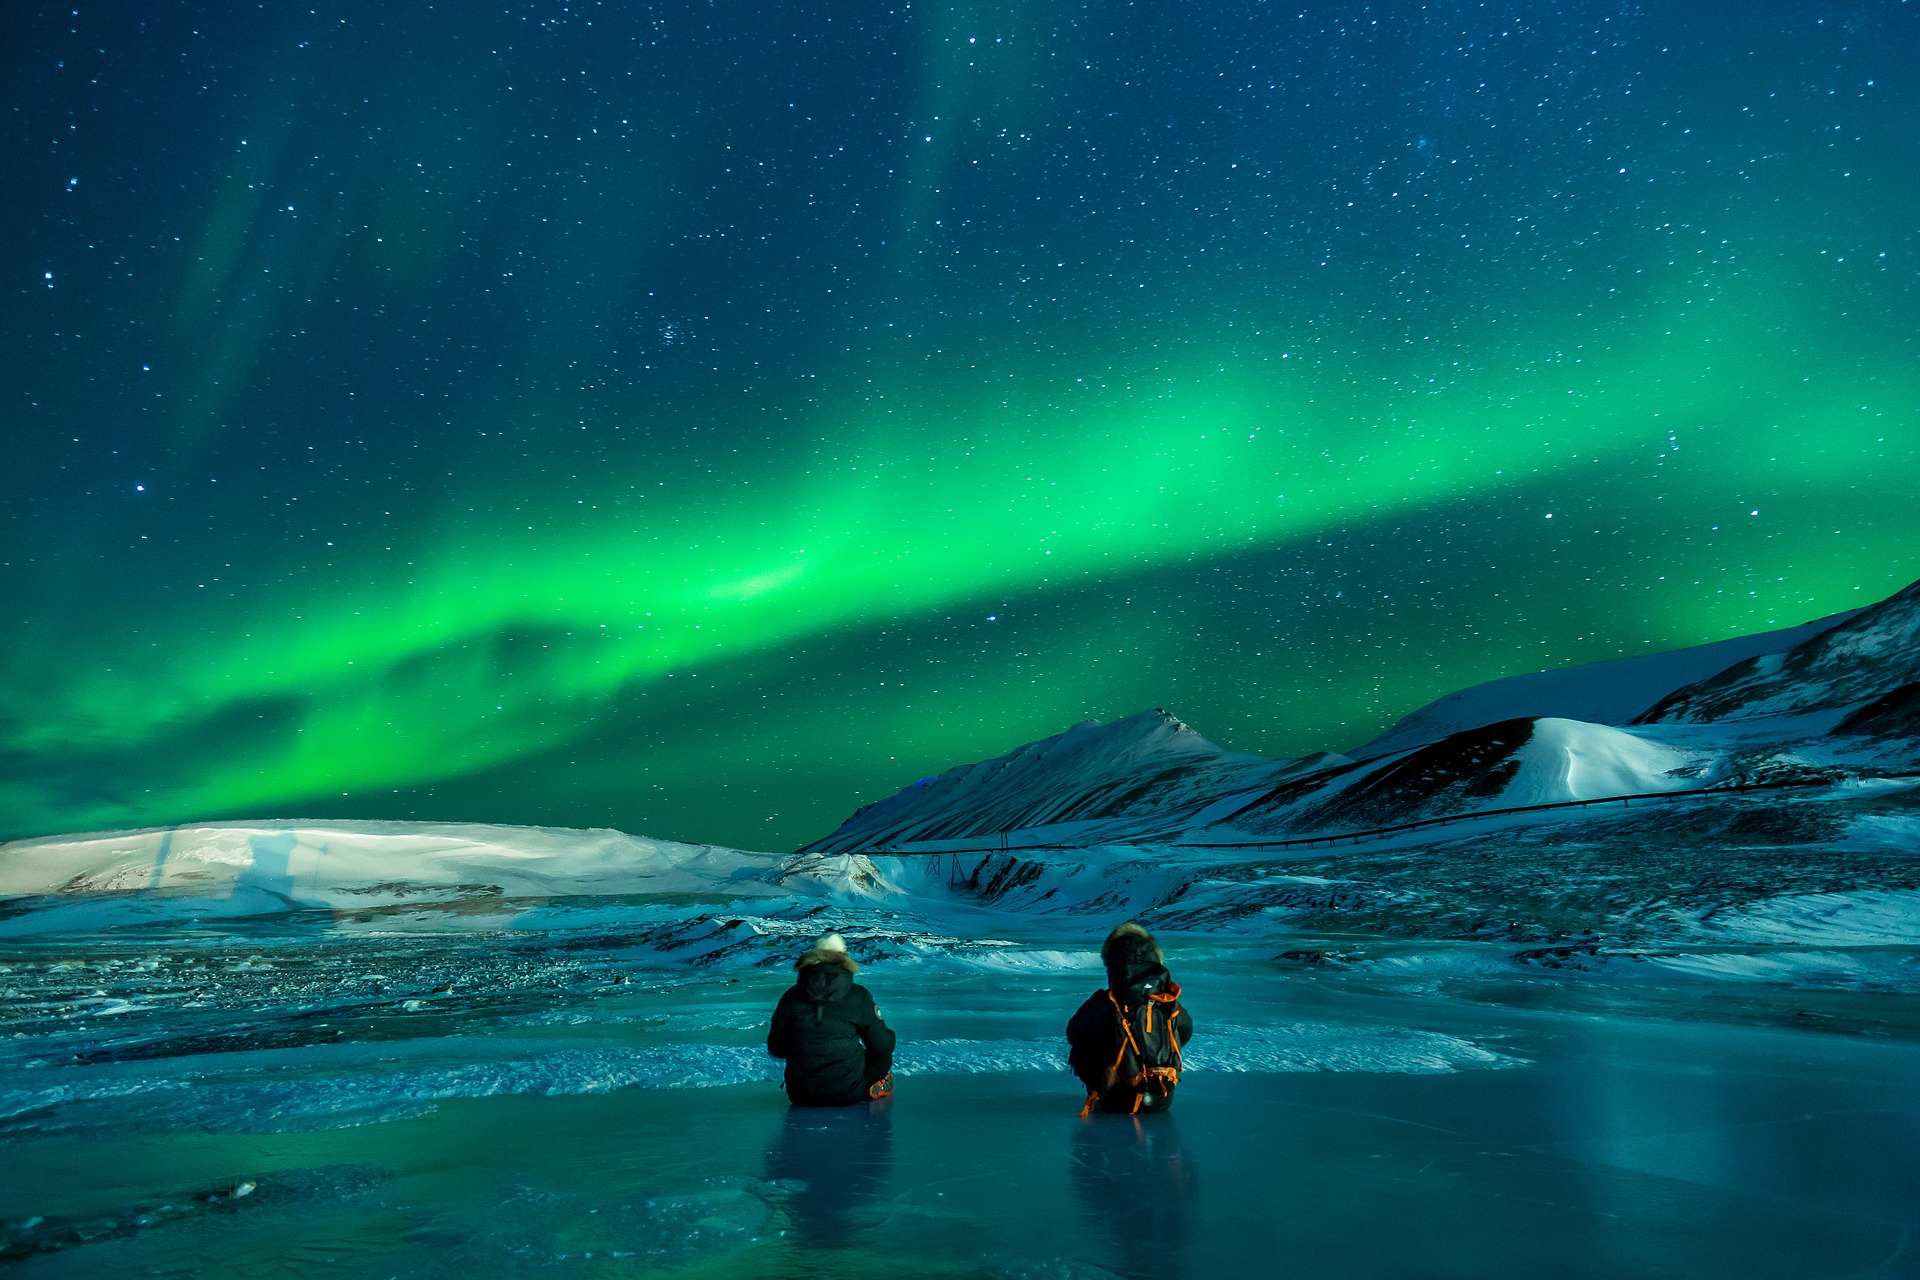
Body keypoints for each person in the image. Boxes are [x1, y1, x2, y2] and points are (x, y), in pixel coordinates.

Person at [1066, 922, 1192, 1115]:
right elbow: (1186, 1031)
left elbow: (1073, 1033)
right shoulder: (1168, 1001)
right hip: (1163, 1099)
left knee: (1085, 1039)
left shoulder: (1102, 1002)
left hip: (1116, 1100)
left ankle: (1105, 1088)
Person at [767, 932, 896, 1107]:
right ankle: (874, 1084)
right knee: (880, 1055)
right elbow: (883, 1046)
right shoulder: (858, 996)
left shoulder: (791, 996)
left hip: (799, 1095)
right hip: (847, 1093)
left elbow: (776, 1048)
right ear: (844, 958)